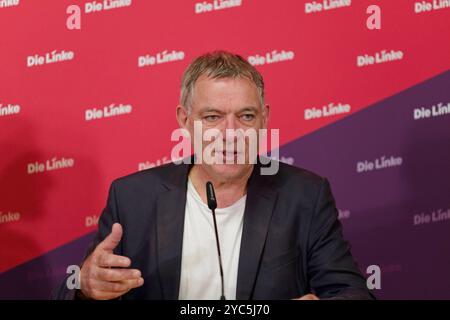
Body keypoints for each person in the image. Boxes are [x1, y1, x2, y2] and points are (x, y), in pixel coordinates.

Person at [53, 51, 373, 300]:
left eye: (246, 116)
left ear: (264, 119)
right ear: (185, 119)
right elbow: (73, 287)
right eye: (212, 117)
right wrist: (85, 287)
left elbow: (354, 292)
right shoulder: (132, 198)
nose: (230, 133)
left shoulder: (305, 196)